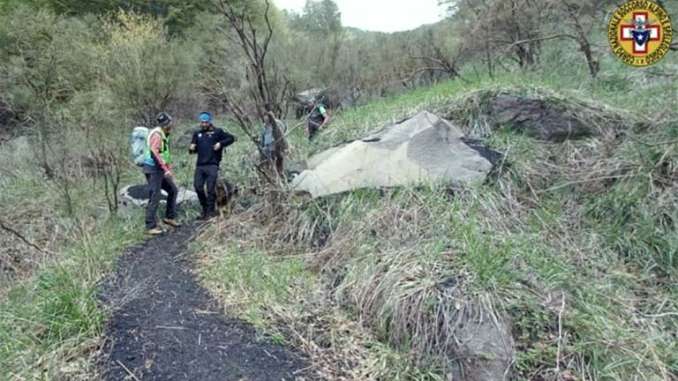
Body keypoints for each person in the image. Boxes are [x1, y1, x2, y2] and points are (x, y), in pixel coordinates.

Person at [189, 112, 235, 220]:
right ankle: (205, 209)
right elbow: (193, 150)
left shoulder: (217, 132)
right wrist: (191, 148)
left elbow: (231, 138)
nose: (204, 124)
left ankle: (210, 212)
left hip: (212, 164)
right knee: (198, 187)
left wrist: (220, 144)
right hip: (200, 165)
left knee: (210, 189)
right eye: (202, 122)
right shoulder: (197, 134)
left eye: (206, 122)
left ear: (209, 122)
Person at [143, 112, 180, 235]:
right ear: (166, 123)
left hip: (159, 169)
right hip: (153, 169)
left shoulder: (164, 133)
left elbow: (164, 153)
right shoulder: (158, 135)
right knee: (155, 195)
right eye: (170, 122)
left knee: (173, 190)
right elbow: (155, 153)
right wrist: (165, 169)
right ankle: (150, 226)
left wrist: (167, 167)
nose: (171, 124)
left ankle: (169, 217)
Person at [260, 111, 288, 177]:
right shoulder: (264, 127)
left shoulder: (276, 125)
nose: (266, 120)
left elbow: (281, 136)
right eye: (265, 119)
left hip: (276, 148)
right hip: (268, 149)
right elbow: (262, 138)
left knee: (279, 162)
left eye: (267, 119)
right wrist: (262, 146)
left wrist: (285, 147)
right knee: (270, 164)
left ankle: (281, 175)